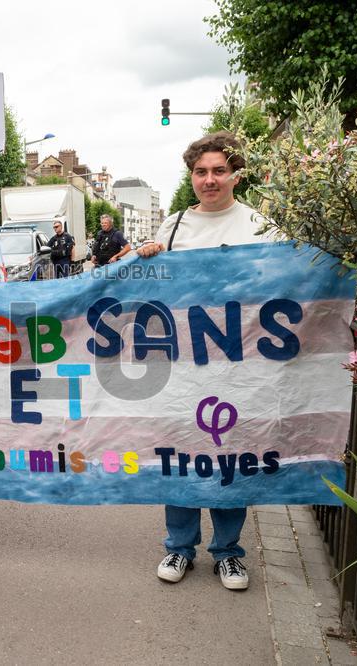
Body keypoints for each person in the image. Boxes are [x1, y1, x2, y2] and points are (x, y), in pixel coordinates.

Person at [138, 130, 271, 591]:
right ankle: (179, 546)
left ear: (236, 175)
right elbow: (155, 294)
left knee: (230, 458)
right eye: (201, 171)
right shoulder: (173, 227)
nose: (209, 179)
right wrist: (148, 259)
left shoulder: (260, 226)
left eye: (219, 170)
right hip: (183, 366)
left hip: (238, 365)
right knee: (180, 456)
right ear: (191, 176)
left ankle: (228, 552)